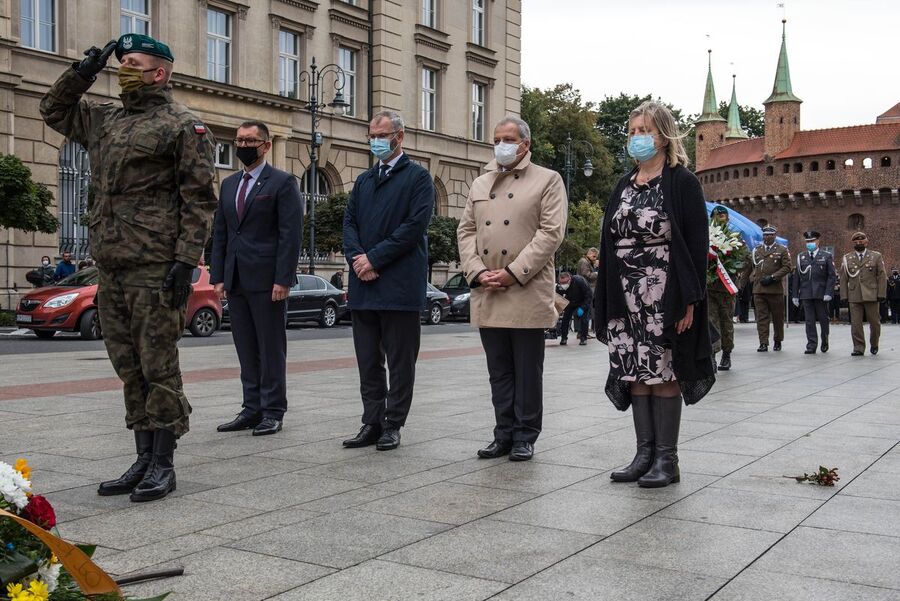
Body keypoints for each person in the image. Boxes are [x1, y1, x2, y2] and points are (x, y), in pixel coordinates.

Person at [40, 34, 217, 502]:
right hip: (112, 265)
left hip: (155, 266)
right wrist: (82, 73)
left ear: (159, 72)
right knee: (128, 366)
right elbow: (52, 112)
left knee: (159, 365)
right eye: (120, 64)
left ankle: (163, 463)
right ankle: (141, 457)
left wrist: (184, 262)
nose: (124, 70)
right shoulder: (106, 119)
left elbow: (198, 201)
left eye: (133, 64)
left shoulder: (183, 126)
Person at [595, 101, 714, 489]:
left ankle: (667, 459)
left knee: (663, 370)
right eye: (631, 132)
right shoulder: (624, 184)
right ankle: (643, 454)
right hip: (625, 292)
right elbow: (610, 241)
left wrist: (689, 299)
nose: (635, 138)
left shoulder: (682, 182)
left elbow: (696, 244)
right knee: (635, 371)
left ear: (663, 136)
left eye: (643, 130)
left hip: (664, 291)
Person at [458, 116, 566, 461]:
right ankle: (502, 432)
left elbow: (550, 234)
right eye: (496, 139)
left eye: (508, 139)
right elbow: (466, 232)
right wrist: (476, 271)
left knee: (527, 371)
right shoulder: (480, 182)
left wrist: (513, 272)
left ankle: (525, 434)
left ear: (525, 144)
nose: (501, 145)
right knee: (499, 370)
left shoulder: (548, 180)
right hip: (488, 288)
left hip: (525, 288)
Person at [341, 111, 433, 451]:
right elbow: (349, 222)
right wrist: (357, 259)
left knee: (400, 361)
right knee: (368, 361)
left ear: (400, 137)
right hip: (364, 285)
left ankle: (394, 423)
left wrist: (374, 258)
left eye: (382, 134)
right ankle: (372, 421)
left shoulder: (418, 178)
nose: (376, 140)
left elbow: (413, 228)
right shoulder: (365, 181)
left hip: (399, 286)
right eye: (372, 135)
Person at [212, 121, 302, 436]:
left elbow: (290, 235)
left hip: (268, 282)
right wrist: (218, 276)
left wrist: (284, 279)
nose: (243, 145)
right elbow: (221, 232)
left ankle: (273, 411)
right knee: (246, 348)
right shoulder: (228, 184)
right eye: (239, 139)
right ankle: (251, 409)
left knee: (270, 348)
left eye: (250, 140)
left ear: (265, 145)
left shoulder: (282, 182)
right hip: (235, 280)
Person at [706, 206, 747, 370]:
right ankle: (713, 355)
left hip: (726, 289)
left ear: (728, 219)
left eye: (722, 217)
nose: (720, 220)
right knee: (711, 322)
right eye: (717, 217)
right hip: (709, 287)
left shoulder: (734, 239)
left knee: (726, 322)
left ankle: (727, 353)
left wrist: (733, 269)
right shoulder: (706, 238)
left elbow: (745, 260)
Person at [839, 232, 886, 356]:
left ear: (866, 242)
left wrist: (881, 293)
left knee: (874, 323)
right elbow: (843, 278)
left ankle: (874, 343)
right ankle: (858, 347)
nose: (858, 244)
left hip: (871, 294)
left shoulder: (876, 256)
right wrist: (843, 295)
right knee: (856, 323)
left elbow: (882, 276)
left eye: (861, 242)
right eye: (856, 243)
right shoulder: (847, 258)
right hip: (854, 295)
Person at [792, 231, 836, 354]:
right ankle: (811, 344)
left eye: (812, 241)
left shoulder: (826, 256)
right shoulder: (801, 257)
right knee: (809, 320)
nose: (810, 243)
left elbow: (831, 276)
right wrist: (795, 295)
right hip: (806, 293)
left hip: (821, 294)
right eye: (808, 242)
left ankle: (824, 339)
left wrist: (829, 292)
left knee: (823, 319)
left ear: (818, 241)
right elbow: (797, 277)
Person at [749, 225, 791, 351]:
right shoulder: (757, 250)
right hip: (759, 289)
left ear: (775, 236)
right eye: (765, 235)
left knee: (778, 318)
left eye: (770, 235)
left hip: (774, 289)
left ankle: (778, 340)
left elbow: (787, 267)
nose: (767, 237)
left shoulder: (782, 250)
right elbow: (751, 266)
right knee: (762, 319)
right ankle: (763, 342)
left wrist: (773, 277)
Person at [556, 271, 592, 346]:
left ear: (570, 279)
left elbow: (588, 295)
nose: (563, 284)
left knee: (584, 320)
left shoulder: (579, 281)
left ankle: (583, 338)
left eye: (565, 282)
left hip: (582, 301)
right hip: (571, 301)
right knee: (565, 319)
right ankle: (564, 338)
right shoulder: (560, 285)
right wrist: (559, 308)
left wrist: (583, 307)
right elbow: (557, 296)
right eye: (561, 282)